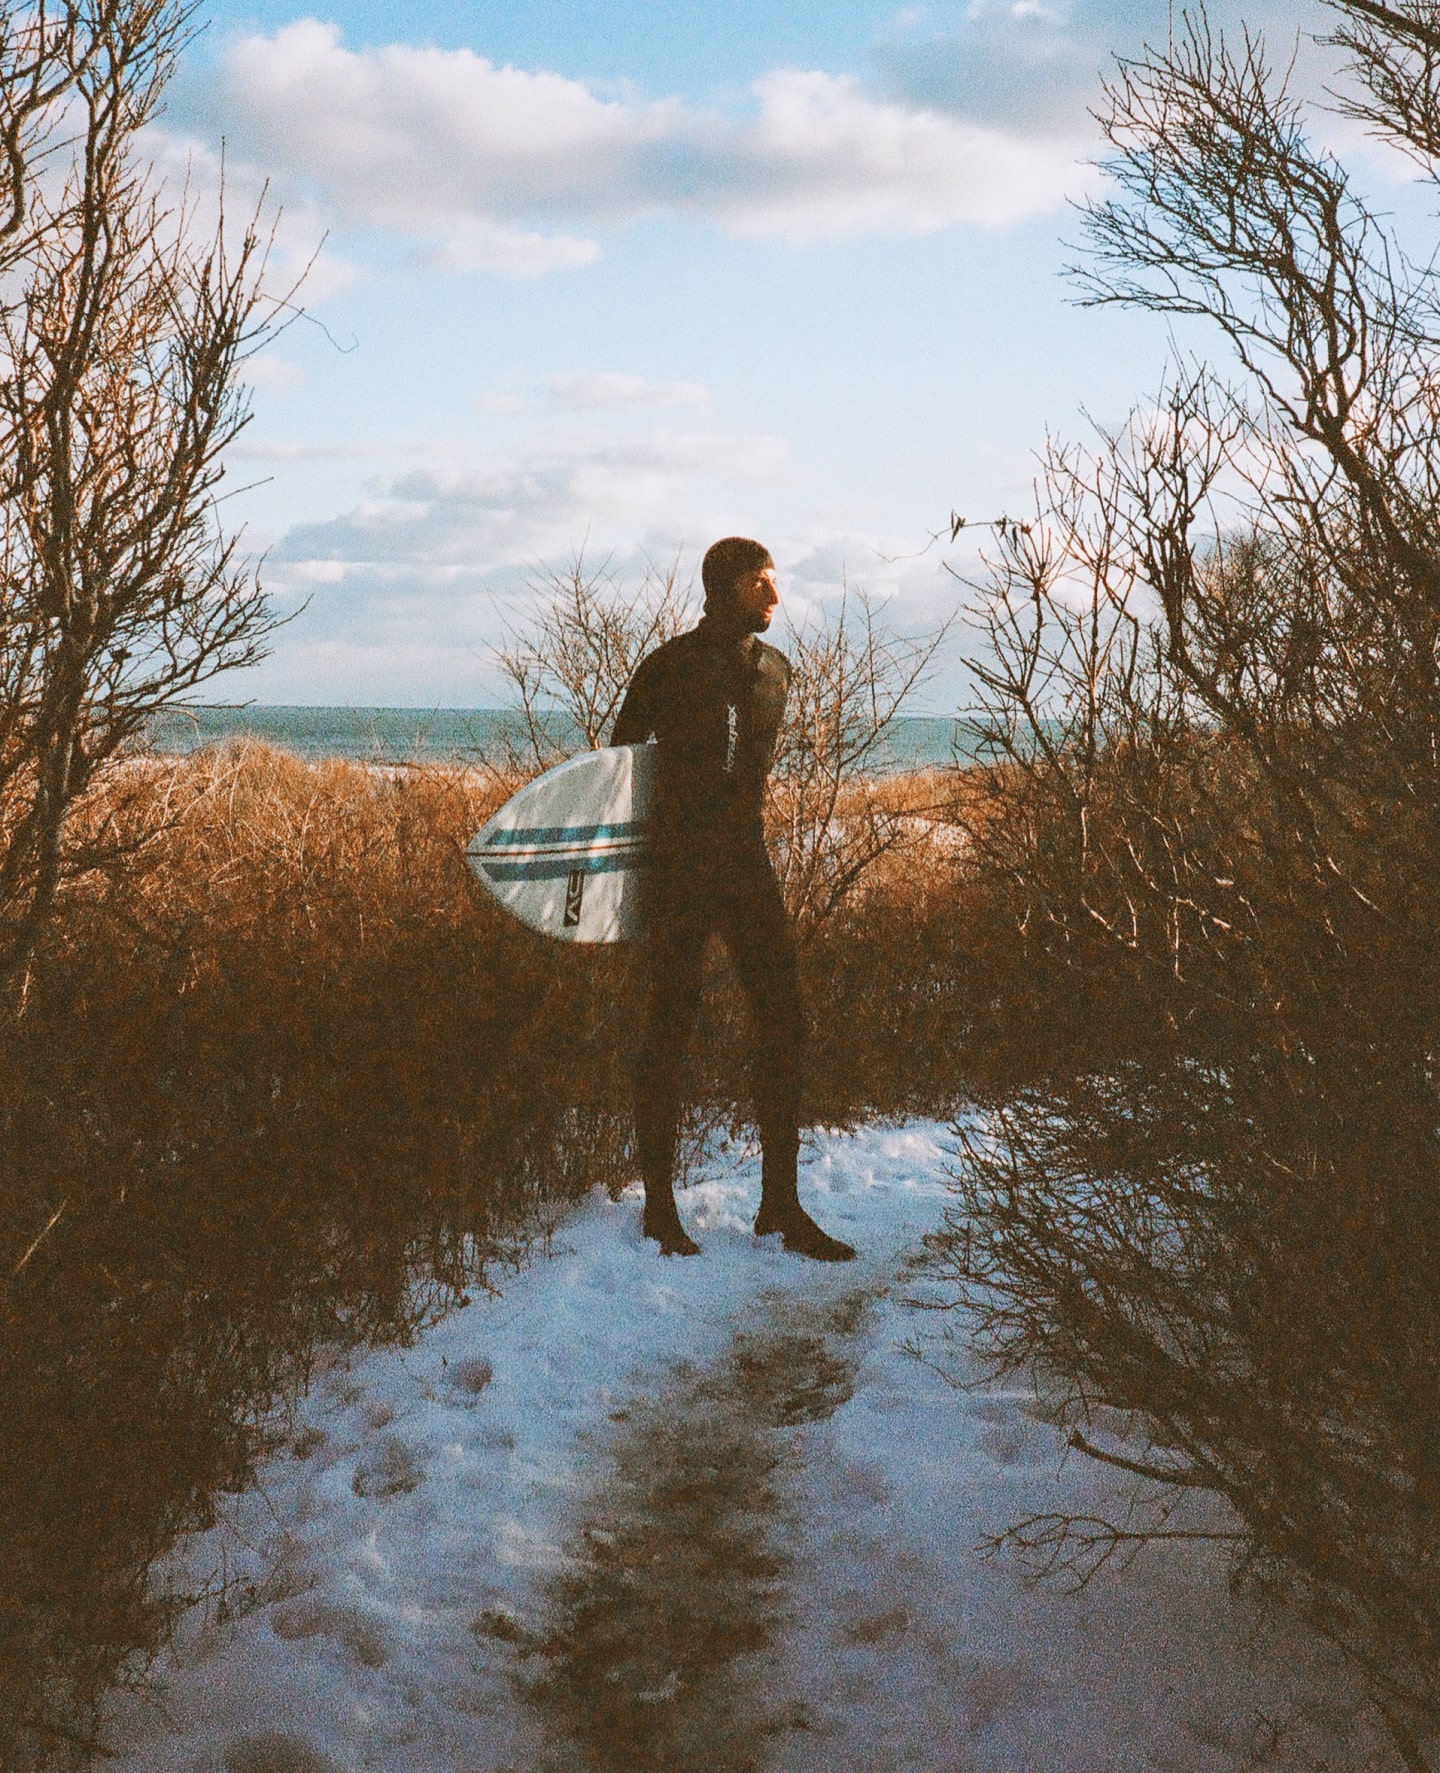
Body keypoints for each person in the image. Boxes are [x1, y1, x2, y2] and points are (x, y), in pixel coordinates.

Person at [610, 536, 856, 1261]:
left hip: (745, 866)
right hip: (681, 869)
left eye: (774, 582)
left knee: (785, 1018)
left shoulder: (775, 671)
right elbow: (618, 767)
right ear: (723, 588)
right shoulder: (668, 666)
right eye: (759, 583)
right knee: (669, 1031)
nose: (774, 597)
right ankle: (660, 1208)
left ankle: (780, 1205)